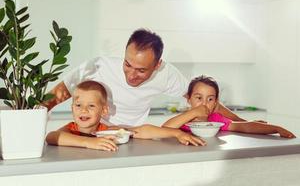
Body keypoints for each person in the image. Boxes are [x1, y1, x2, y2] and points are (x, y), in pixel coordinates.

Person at [44, 28, 245, 127]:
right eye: (127, 64)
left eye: (141, 71)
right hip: (96, 132)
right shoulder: (98, 66)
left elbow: (204, 99)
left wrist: (242, 122)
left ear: (157, 65)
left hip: (135, 135)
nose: (131, 75)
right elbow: (54, 97)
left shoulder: (166, 74)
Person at [46, 81, 206, 151]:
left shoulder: (106, 131)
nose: (84, 110)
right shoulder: (70, 129)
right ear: (72, 108)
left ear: (104, 111)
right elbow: (52, 137)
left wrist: (177, 133)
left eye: (91, 106)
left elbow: (141, 131)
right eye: (78, 105)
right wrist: (89, 143)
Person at [162, 75, 296, 138]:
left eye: (210, 99)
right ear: (189, 99)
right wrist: (193, 113)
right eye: (198, 98)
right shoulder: (183, 120)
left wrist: (276, 128)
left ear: (215, 102)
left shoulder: (216, 119)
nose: (204, 104)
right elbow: (165, 128)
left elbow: (243, 126)